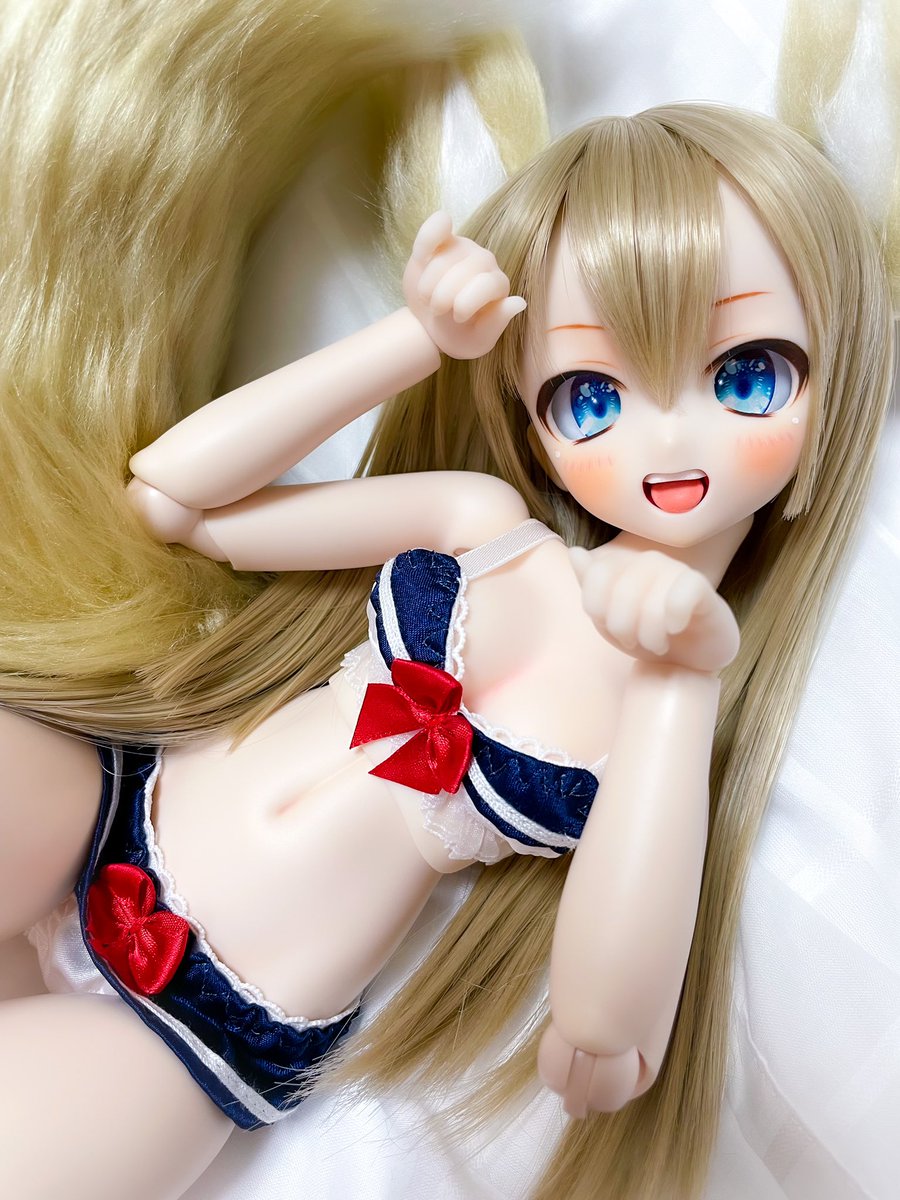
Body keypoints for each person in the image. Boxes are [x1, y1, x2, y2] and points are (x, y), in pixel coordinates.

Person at [0, 6, 894, 1200]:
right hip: (104, 799)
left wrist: (683, 677)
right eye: (591, 395)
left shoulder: (666, 714)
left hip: (195, 1027)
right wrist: (410, 341)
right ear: (526, 405)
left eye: (744, 375)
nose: (666, 441)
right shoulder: (484, 526)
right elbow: (176, 499)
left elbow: (607, 1031)